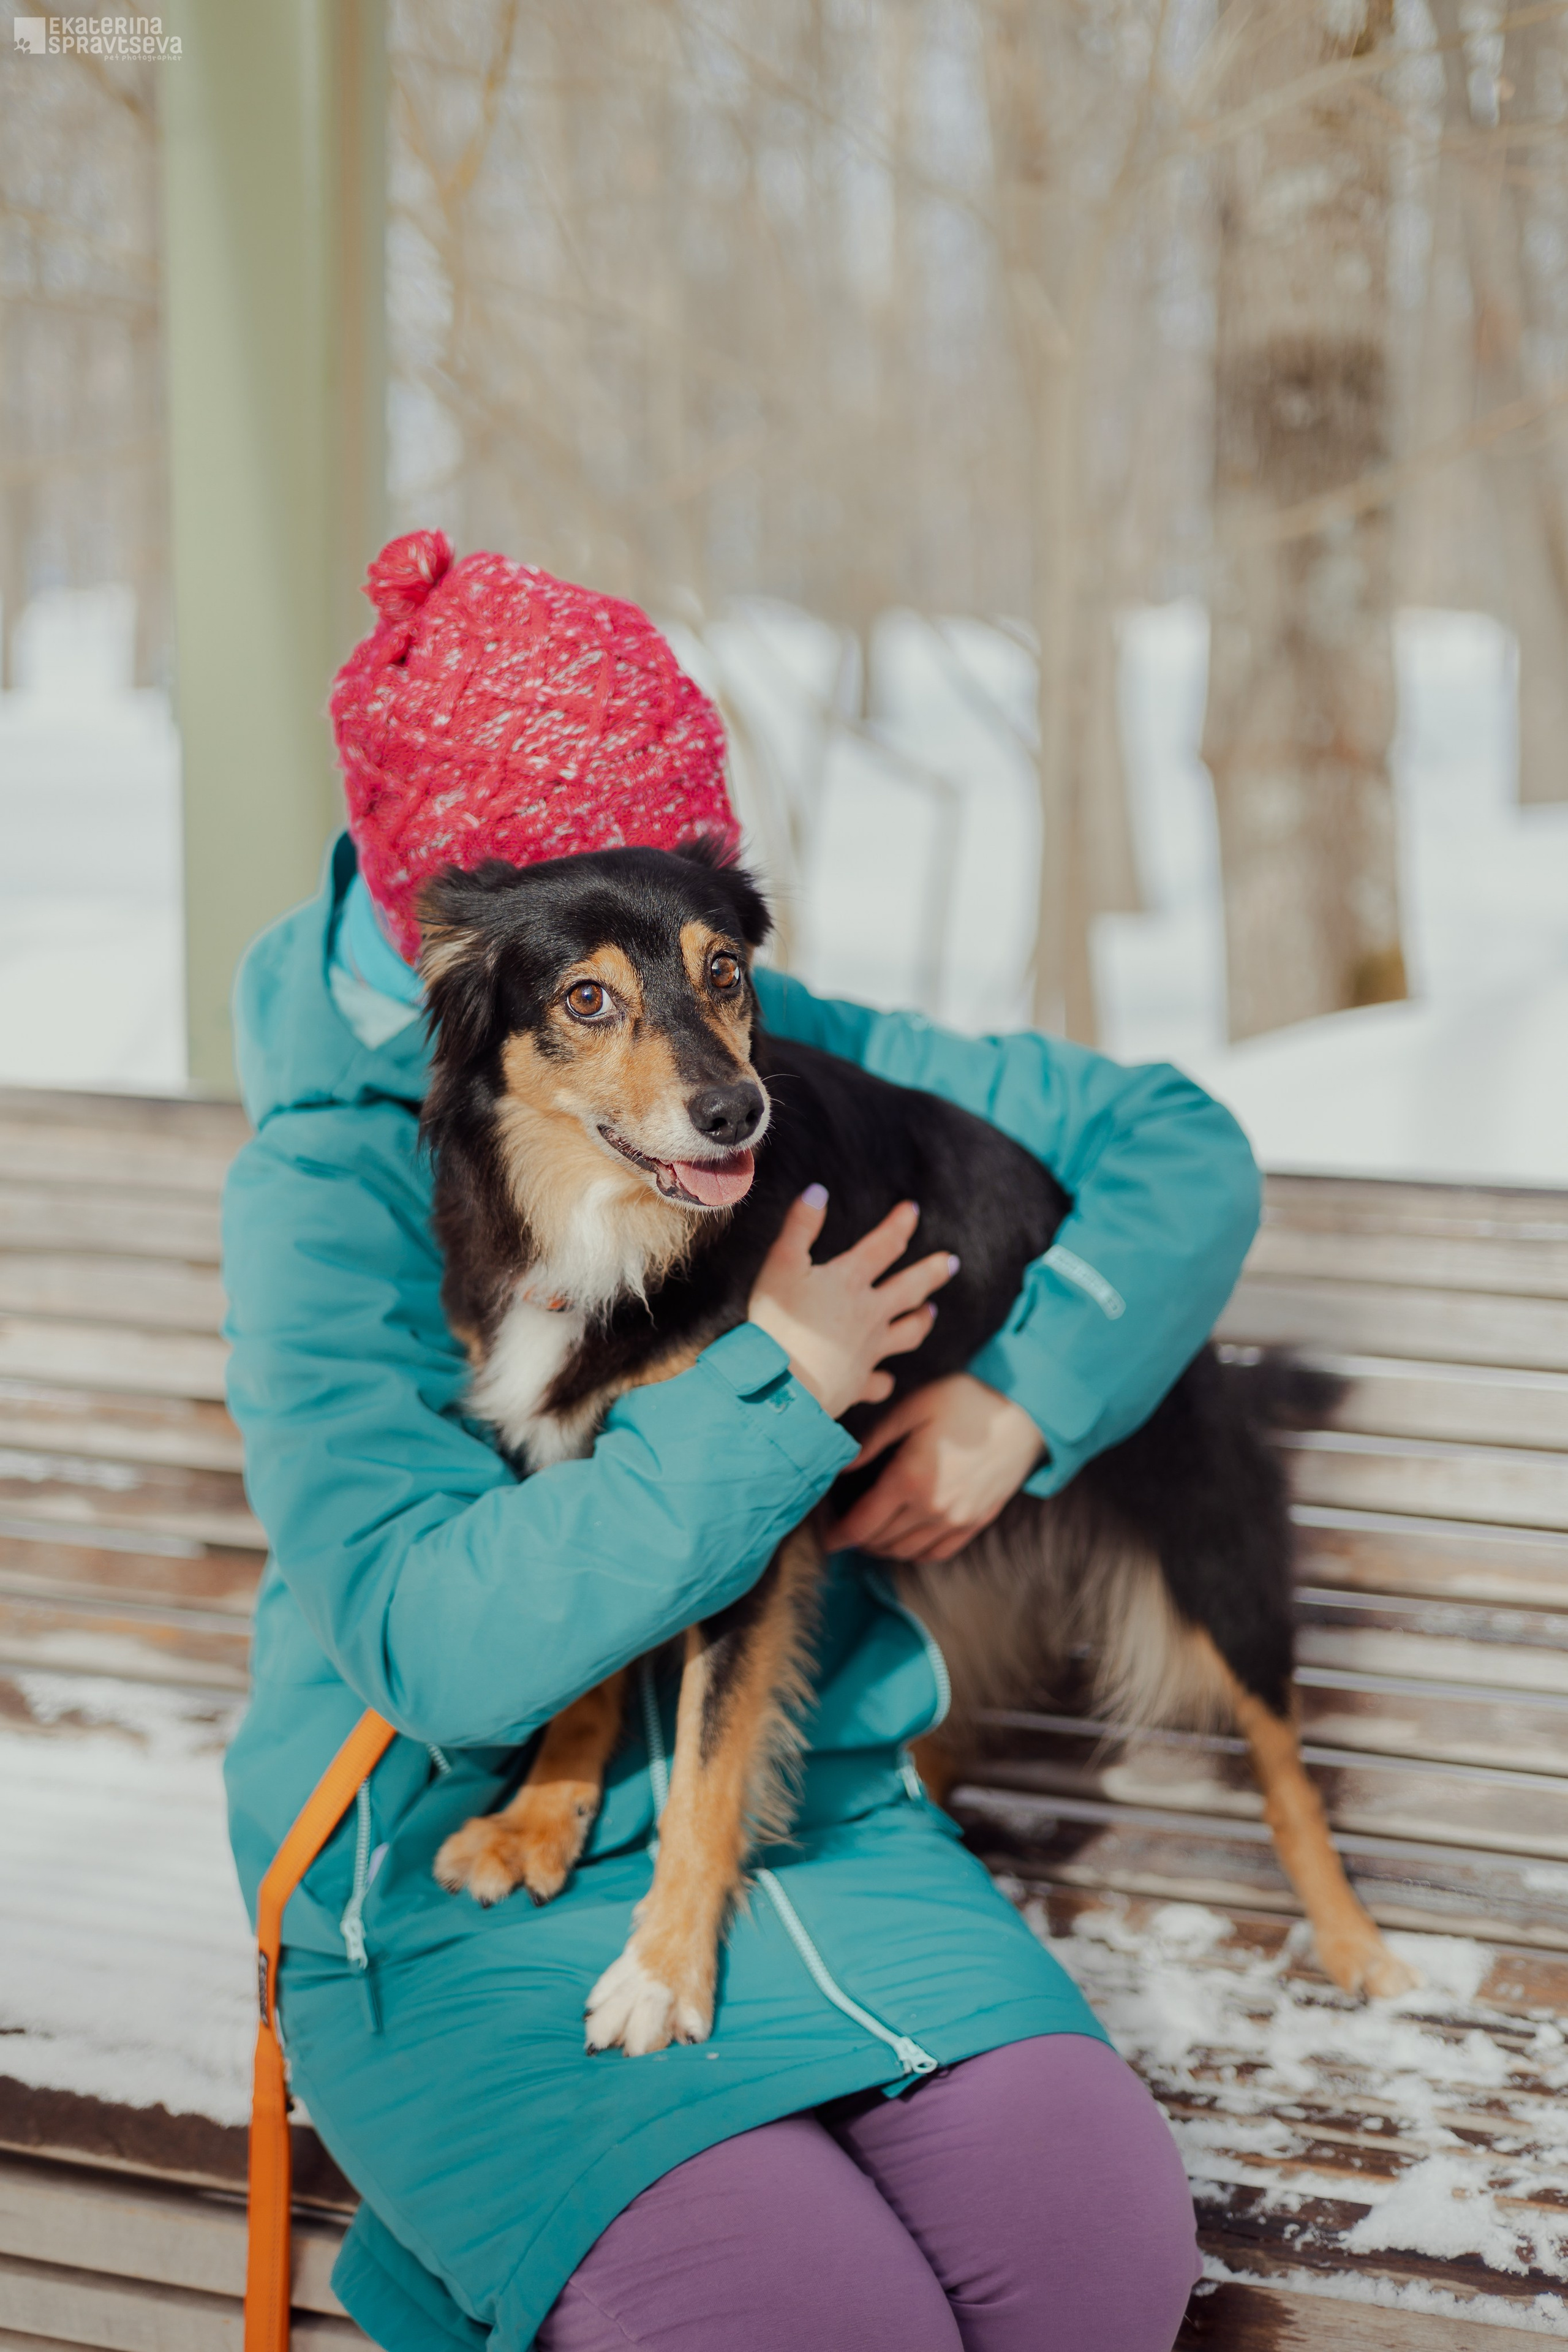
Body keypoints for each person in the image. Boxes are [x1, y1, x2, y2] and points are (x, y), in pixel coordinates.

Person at [222, 530, 1259, 2352]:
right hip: (436, 1860)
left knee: (1097, 2261)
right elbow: (433, 1642)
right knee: (808, 2322)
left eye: (704, 955)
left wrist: (1030, 1402)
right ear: (477, 954)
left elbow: (1176, 1140)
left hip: (811, 1813)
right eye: (599, 979)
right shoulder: (322, 1186)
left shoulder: (759, 1049)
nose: (707, 1064)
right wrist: (780, 1382)